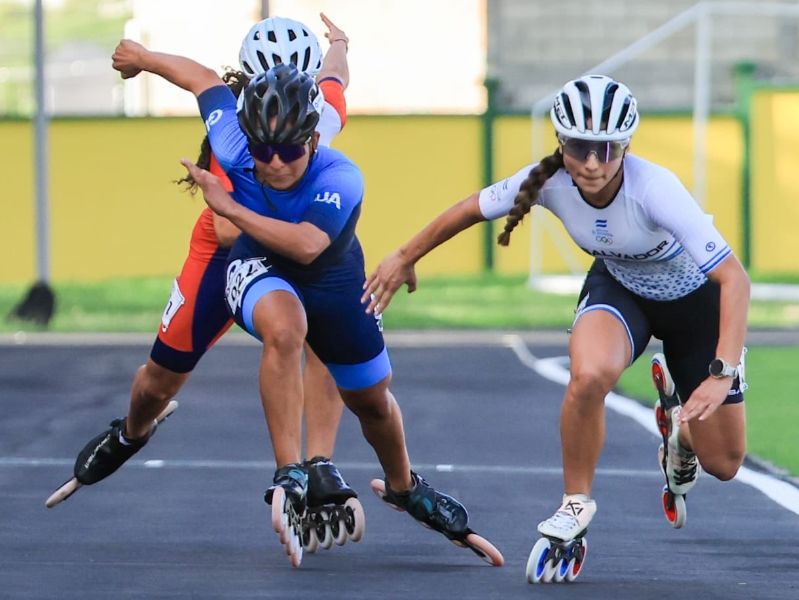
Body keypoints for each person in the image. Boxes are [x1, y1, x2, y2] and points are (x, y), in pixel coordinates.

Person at [105, 40, 503, 568]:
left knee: (373, 401)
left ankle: (406, 487)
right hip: (258, 267)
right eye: (262, 149)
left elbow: (308, 245)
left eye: (289, 150)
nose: (273, 163)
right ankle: (289, 468)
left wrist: (228, 206)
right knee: (285, 326)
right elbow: (204, 79)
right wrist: (143, 59)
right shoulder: (234, 139)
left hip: (332, 278)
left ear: (314, 138)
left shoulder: (340, 175)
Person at [361, 74, 749, 579]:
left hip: (695, 304)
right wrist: (403, 256)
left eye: (607, 150)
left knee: (724, 464)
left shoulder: (655, 189)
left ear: (626, 145)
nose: (592, 163)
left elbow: (733, 279)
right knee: (587, 376)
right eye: (580, 147)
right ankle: (574, 503)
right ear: (561, 142)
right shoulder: (546, 181)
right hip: (622, 289)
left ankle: (682, 431)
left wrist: (721, 372)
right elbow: (468, 209)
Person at [64, 15, 361, 550]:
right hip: (228, 252)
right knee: (160, 379)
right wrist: (143, 59)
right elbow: (227, 228)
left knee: (323, 325)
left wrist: (340, 41)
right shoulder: (235, 137)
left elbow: (337, 76)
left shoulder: (324, 116)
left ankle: (315, 463)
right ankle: (133, 430)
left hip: (291, 249)